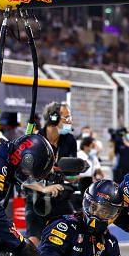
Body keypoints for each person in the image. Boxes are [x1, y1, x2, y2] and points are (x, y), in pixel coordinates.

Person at [24, 101, 78, 244]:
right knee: (34, 241)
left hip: (59, 194)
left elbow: (72, 176)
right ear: (53, 118)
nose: (70, 121)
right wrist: (43, 188)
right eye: (66, 117)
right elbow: (22, 175)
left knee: (73, 232)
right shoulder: (34, 140)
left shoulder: (70, 140)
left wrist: (73, 174)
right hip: (36, 196)